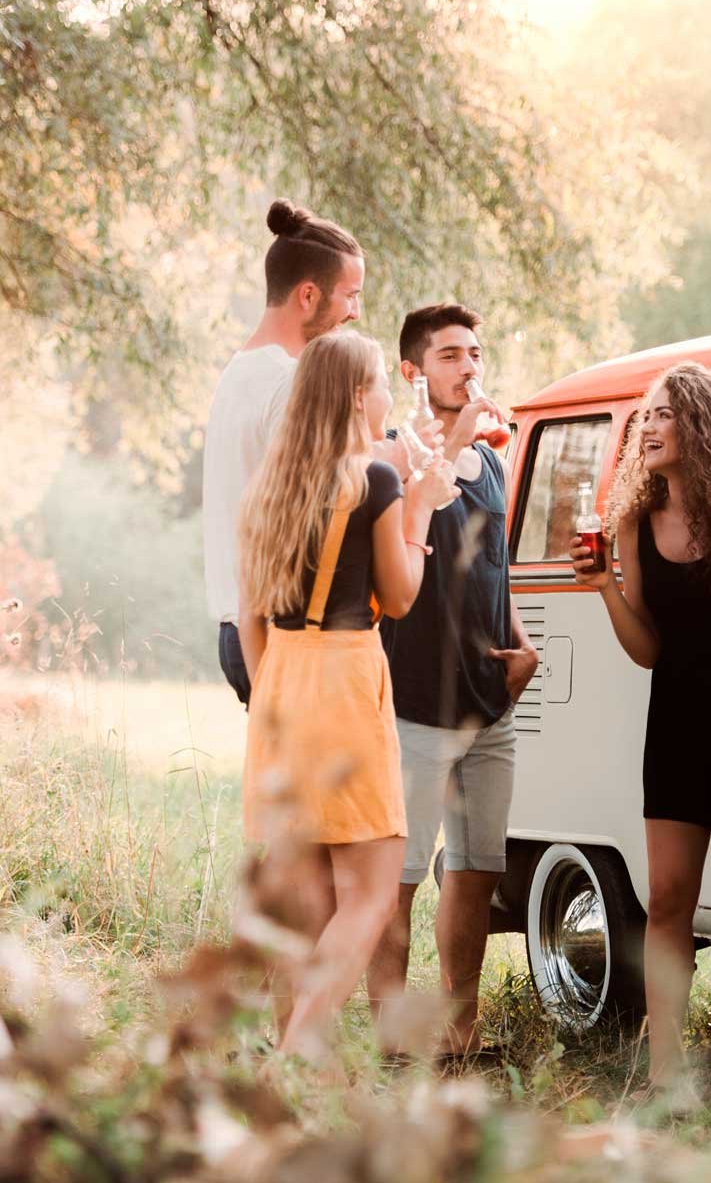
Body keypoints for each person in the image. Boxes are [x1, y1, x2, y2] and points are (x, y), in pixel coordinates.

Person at [569, 362, 711, 1088]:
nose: (648, 426)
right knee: (667, 899)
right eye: (646, 415)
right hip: (677, 721)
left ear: (700, 423)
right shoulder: (631, 517)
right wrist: (604, 585)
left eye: (665, 413)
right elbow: (648, 651)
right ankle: (667, 1073)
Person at [237, 329, 456, 1059]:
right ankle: (301, 1049)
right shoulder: (375, 481)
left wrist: (272, 695)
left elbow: (248, 615)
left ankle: (298, 1067)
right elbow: (397, 598)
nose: (390, 400)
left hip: (281, 681)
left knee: (303, 901)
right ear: (361, 395)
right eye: (382, 387)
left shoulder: (270, 485)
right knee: (368, 892)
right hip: (344, 677)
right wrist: (424, 509)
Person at [368, 303, 539, 1058]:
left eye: (474, 353)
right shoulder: (393, 454)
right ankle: (394, 1040)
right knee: (396, 881)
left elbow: (492, 572)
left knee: (475, 874)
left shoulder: (496, 461)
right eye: (448, 356)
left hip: (489, 709)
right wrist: (457, 437)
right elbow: (389, 570)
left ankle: (460, 1035)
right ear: (413, 370)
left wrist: (523, 644)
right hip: (414, 706)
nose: (469, 367)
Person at [204, 198, 364, 708]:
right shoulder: (289, 379)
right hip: (277, 628)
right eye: (350, 295)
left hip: (239, 625)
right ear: (309, 294)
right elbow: (311, 506)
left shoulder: (239, 370)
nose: (355, 312)